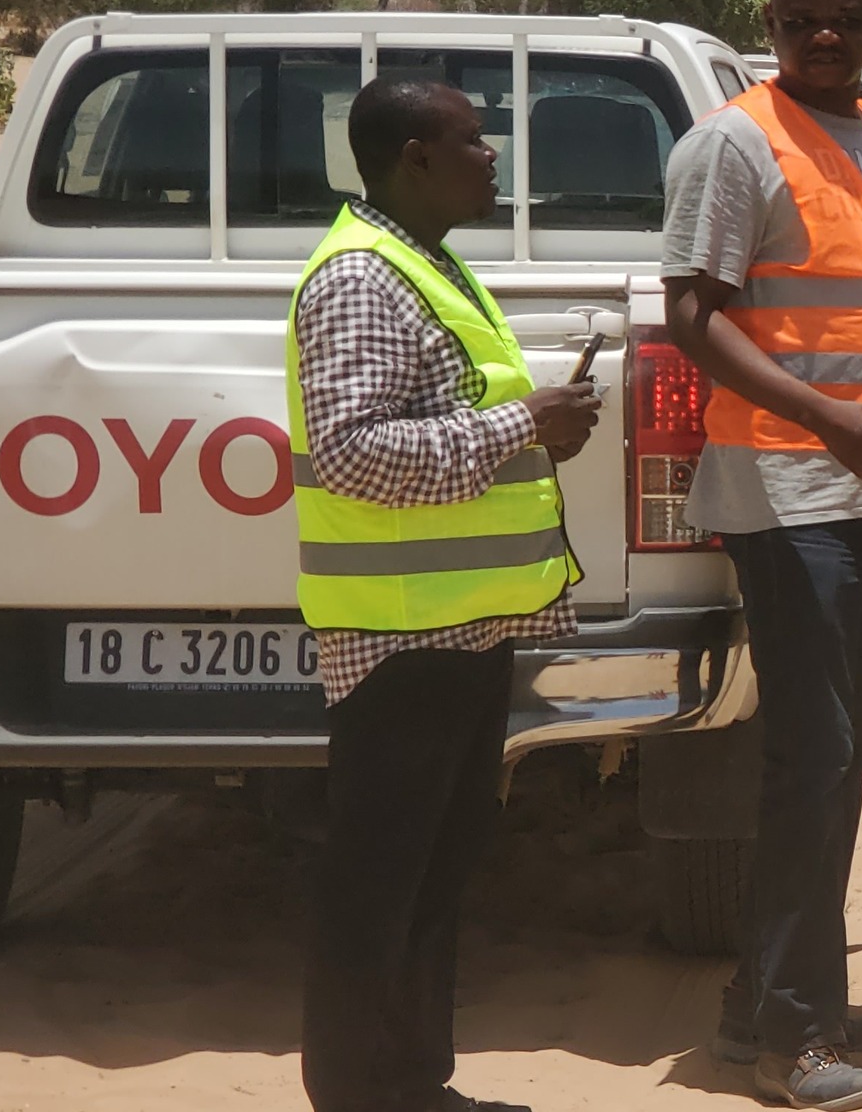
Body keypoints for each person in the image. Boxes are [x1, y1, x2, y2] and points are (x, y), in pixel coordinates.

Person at [661, 0, 862, 1111]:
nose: (824, 36)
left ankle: (757, 1006)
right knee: (813, 759)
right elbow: (690, 315)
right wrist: (824, 416)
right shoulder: (733, 140)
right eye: (799, 18)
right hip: (788, 489)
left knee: (843, 752)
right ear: (764, 23)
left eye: (845, 17)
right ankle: (794, 1038)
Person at [290, 77, 600, 1112]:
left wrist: (532, 419)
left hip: (456, 627)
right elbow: (349, 455)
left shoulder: (424, 261)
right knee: (378, 880)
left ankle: (414, 1087)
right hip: (399, 637)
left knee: (431, 868)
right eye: (476, 139)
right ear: (416, 155)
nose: (494, 155)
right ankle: (359, 1094)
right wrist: (525, 425)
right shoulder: (363, 279)